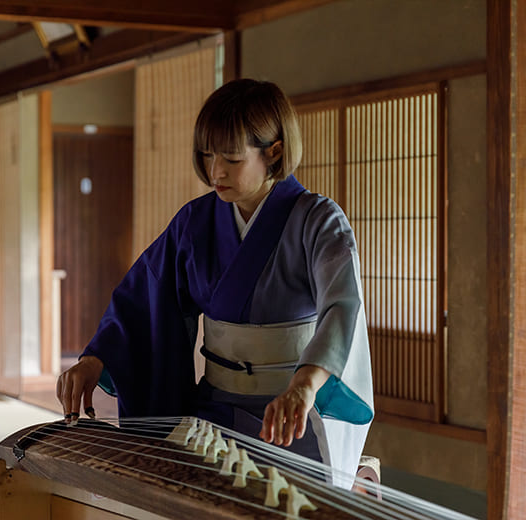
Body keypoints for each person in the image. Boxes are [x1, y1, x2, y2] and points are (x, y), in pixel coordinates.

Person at [57, 78, 374, 485]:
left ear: (273, 151)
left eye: (231, 158)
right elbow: (144, 297)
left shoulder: (318, 221)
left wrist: (304, 386)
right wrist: (94, 359)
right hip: (213, 413)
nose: (215, 171)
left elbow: (341, 307)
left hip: (293, 415)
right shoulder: (195, 221)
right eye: (207, 155)